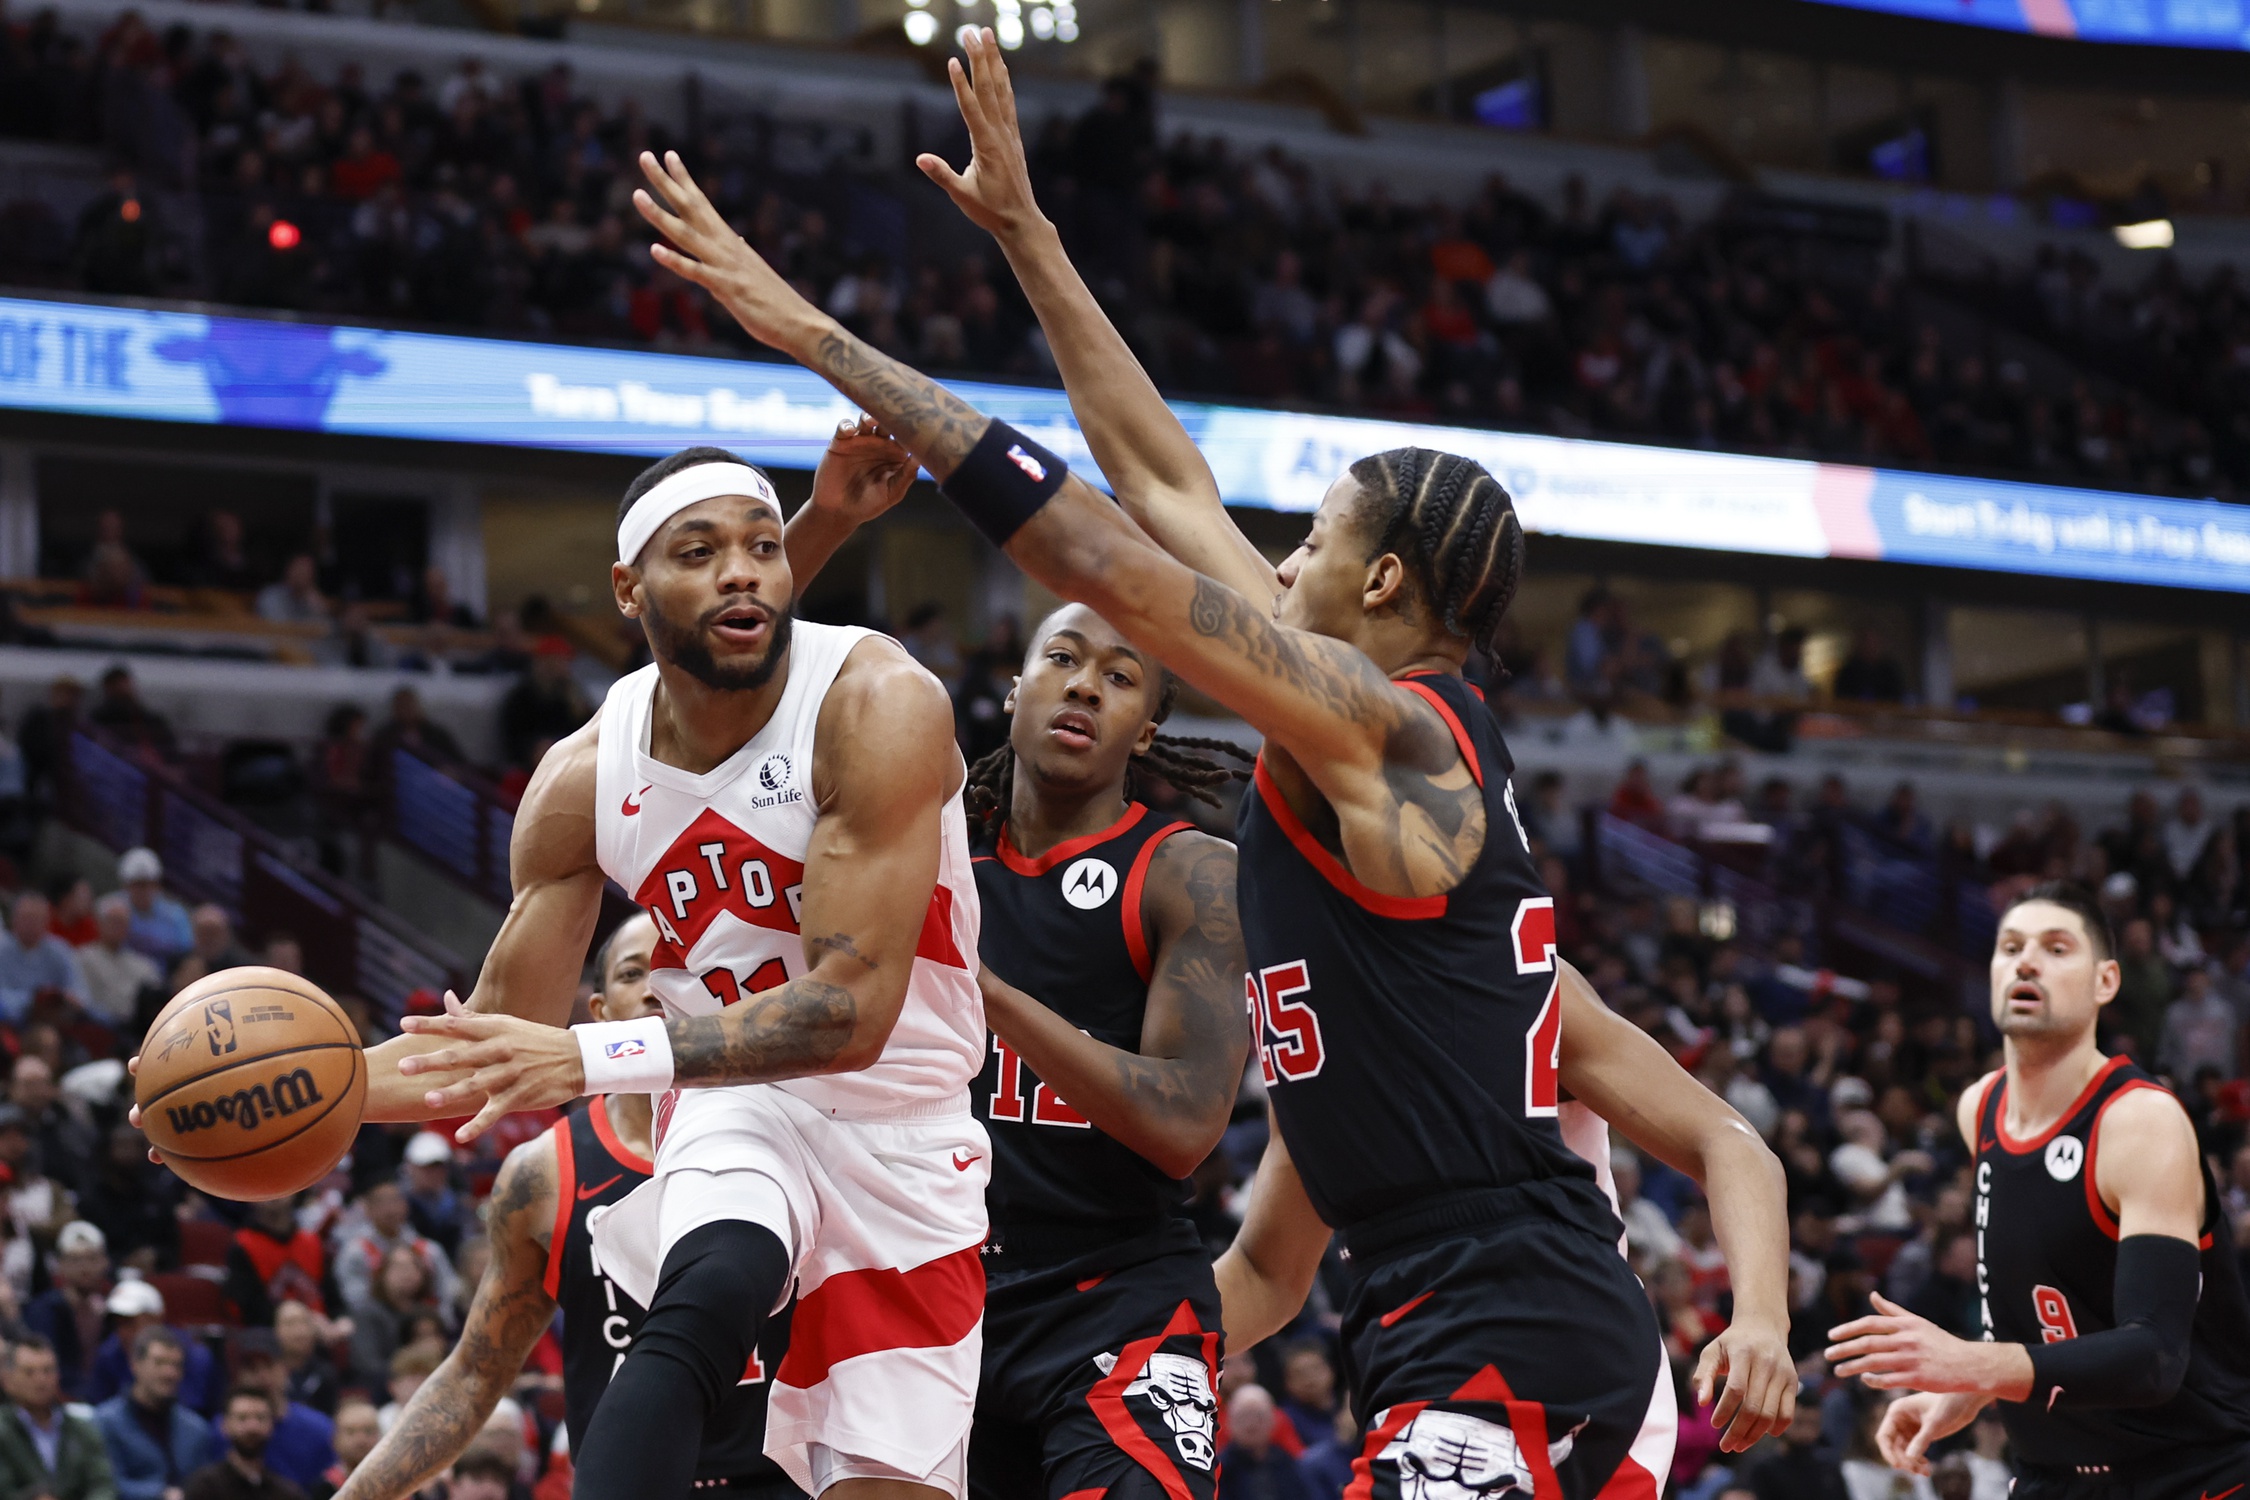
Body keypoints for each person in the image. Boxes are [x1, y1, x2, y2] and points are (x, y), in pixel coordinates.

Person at [612, 43, 1794, 1493]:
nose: (1277, 557)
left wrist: (807, 329)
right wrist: (1028, 239)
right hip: (1438, 1324)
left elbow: (1103, 552)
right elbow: (1159, 475)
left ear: (1380, 591)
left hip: (1509, 1323)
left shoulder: (1392, 733)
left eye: (1313, 542)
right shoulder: (1347, 727)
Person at [367, 411, 988, 1500]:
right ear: (628, 589)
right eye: (698, 554)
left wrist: (597, 1060)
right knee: (706, 1295)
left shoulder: (878, 703)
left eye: (762, 545)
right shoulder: (584, 776)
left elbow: (848, 1016)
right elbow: (492, 1034)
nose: (742, 573)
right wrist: (306, 1097)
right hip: (739, 1099)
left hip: (905, 1123)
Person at [789, 485, 1253, 1500]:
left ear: (1146, 729)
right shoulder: (931, 847)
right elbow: (765, 680)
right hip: (934, 1287)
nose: (1084, 686)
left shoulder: (1187, 872)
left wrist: (980, 989)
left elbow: (1183, 1128)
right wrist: (826, 517)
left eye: (1120, 677)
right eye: (1063, 660)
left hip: (1116, 1297)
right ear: (1015, 687)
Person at [335, 915, 796, 1500]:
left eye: (676, 966)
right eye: (635, 972)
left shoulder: (793, 1139)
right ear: (598, 1014)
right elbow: (475, 1375)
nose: (657, 984)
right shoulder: (545, 1172)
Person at [1833, 881, 2250, 1497]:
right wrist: (1976, 1387)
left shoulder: (2138, 1121)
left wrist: (1975, 1363)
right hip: (2051, 1477)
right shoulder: (1980, 1108)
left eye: (2057, 948)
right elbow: (2046, 1300)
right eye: (2011, 946)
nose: (2027, 961)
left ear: (2106, 982)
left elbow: (2154, 1357)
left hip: (2190, 1474)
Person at [95, 1326, 219, 1500]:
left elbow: (205, 1485)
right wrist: (160, 1494)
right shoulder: (105, 1422)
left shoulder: (196, 1429)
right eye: (159, 1363)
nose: (169, 1373)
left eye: (176, 1365)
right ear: (135, 1365)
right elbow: (105, 1484)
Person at [0, 1334, 119, 1500]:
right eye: (29, 1372)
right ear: (7, 1379)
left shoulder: (82, 1429)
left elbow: (103, 1484)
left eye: (48, 1370)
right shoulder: (3, 1432)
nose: (41, 1380)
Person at [92, 1281, 219, 1417]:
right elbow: (98, 1408)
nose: (123, 1332)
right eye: (118, 1324)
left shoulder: (194, 1356)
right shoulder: (109, 1354)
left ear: (156, 1319)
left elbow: (199, 1413)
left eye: (130, 1323)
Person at [230, 1334, 334, 1494]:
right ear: (239, 1375)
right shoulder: (225, 1431)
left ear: (285, 1369)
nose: (262, 1375)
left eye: (269, 1365)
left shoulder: (320, 1429)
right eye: (252, 1368)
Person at [26, 1220, 113, 1401]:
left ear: (105, 1262)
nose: (84, 1268)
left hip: (106, 1398)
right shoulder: (43, 1311)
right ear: (59, 1265)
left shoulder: (115, 1309)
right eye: (75, 1260)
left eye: (92, 1258)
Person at [184, 1389, 301, 1500]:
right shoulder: (204, 1487)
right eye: (242, 1418)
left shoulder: (286, 1492)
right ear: (224, 1425)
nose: (252, 1427)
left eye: (260, 1418)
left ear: (272, 1425)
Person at [0, 892, 89, 1024]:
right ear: (13, 919)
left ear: (46, 921)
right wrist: (33, 1000)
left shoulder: (60, 950)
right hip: (12, 1024)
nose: (30, 924)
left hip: (55, 1021)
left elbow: (80, 991)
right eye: (26, 918)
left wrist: (67, 998)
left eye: (36, 919)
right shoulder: (2, 949)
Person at [79, 895, 161, 1031]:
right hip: (97, 1029)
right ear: (98, 923)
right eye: (112, 921)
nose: (117, 927)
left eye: (122, 922)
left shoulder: (144, 965)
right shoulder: (83, 959)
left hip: (136, 1030)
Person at [1217, 1387, 1310, 1500]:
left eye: (1259, 1416)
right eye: (1243, 1417)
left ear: (1272, 1421)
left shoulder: (1286, 1462)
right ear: (1229, 1423)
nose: (1251, 1424)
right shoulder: (1220, 1469)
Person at [117, 851, 192, 969]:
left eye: (147, 884)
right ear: (126, 885)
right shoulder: (113, 910)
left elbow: (187, 952)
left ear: (157, 885)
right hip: (124, 975)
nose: (143, 891)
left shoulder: (175, 915)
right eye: (137, 885)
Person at [307, 1400, 378, 1500]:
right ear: (335, 1439)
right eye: (350, 1432)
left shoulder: (397, 1485)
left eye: (368, 1431)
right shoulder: (322, 1489)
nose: (361, 1440)